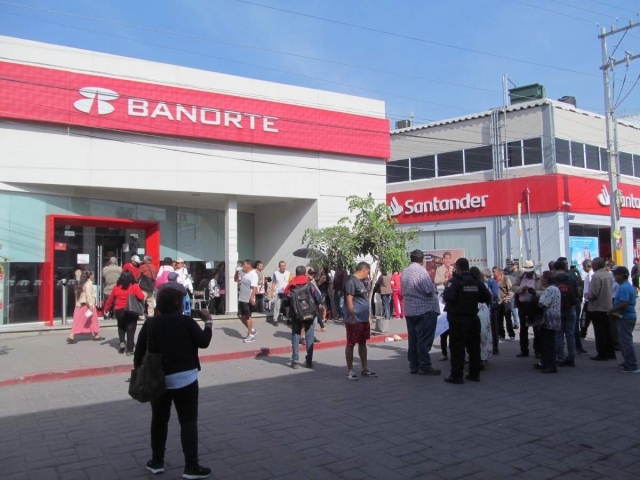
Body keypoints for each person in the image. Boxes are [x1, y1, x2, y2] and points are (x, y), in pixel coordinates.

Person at [136, 287, 213, 479]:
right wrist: (208, 321)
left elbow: (138, 355)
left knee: (159, 420)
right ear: (179, 305)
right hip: (186, 378)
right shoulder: (186, 321)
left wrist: (142, 373)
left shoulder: (151, 324)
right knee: (188, 421)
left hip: (159, 379)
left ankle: (156, 462)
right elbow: (204, 342)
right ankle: (191, 466)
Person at [442, 258, 492, 384]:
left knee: (457, 347)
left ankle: (457, 376)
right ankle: (474, 374)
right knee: (474, 347)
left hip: (458, 319)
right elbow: (487, 297)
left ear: (457, 266)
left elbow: (447, 296)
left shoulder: (455, 280)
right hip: (473, 318)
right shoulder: (476, 280)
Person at [401, 250, 441, 376]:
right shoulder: (420, 271)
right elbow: (429, 289)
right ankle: (425, 366)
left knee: (413, 339)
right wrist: (434, 290)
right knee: (424, 339)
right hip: (424, 309)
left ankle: (414, 365)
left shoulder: (405, 271)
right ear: (422, 259)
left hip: (410, 310)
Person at [343, 262, 377, 380]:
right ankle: (350, 371)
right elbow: (349, 300)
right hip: (354, 320)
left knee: (363, 343)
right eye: (368, 271)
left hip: (363, 319)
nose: (368, 274)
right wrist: (352, 317)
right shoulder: (351, 281)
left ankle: (364, 368)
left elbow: (363, 299)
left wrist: (369, 315)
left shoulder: (360, 282)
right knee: (351, 344)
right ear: (364, 270)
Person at [285, 265, 323, 369]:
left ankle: (295, 361)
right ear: (304, 273)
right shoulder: (309, 284)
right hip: (310, 314)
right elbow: (318, 298)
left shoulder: (291, 285)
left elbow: (286, 301)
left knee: (296, 336)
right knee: (309, 337)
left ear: (296, 273)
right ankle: (309, 361)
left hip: (296, 315)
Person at [104, 271, 145, 355]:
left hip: (119, 310)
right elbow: (141, 296)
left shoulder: (117, 286)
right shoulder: (134, 286)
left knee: (121, 326)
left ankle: (122, 342)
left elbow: (110, 299)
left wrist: (106, 309)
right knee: (131, 329)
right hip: (130, 310)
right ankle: (130, 349)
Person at [609, 266, 639, 373]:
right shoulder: (624, 286)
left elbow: (625, 303)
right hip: (625, 317)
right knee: (624, 341)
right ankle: (627, 361)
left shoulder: (624, 287)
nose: (614, 276)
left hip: (626, 317)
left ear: (621, 276)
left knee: (626, 342)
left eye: (616, 274)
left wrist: (612, 310)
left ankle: (632, 365)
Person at [586, 257, 615, 361]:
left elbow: (594, 293)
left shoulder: (597, 276)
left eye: (593, 264)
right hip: (607, 306)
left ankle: (602, 353)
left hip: (597, 307)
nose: (591, 266)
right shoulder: (608, 275)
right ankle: (610, 352)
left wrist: (586, 295)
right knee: (607, 331)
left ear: (597, 265)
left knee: (600, 332)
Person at [512, 260, 543, 358]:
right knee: (523, 329)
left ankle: (538, 350)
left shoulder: (539, 278)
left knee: (536, 329)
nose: (528, 272)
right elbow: (513, 288)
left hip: (534, 305)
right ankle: (524, 350)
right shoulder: (520, 277)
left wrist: (535, 292)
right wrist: (522, 289)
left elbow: (544, 291)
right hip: (523, 305)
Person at [66, 270, 104, 344]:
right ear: (90, 276)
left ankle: (96, 334)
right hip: (87, 305)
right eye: (92, 274)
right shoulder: (88, 284)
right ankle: (71, 336)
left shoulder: (83, 283)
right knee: (90, 319)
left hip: (81, 304)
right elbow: (88, 294)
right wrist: (91, 304)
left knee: (88, 319)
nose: (93, 275)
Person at [553, 260, 579, 367]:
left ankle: (560, 358)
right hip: (570, 307)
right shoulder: (571, 278)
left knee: (559, 335)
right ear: (565, 268)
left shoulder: (554, 279)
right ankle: (571, 357)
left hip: (557, 309)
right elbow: (578, 293)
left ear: (554, 268)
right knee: (570, 334)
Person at [537, 271, 562, 373]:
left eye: (542, 278)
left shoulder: (550, 289)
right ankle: (545, 362)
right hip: (554, 316)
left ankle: (551, 365)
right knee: (546, 341)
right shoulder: (555, 288)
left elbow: (541, 304)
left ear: (546, 279)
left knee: (548, 342)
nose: (541, 280)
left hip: (549, 317)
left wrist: (536, 300)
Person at [470, 267, 493, 367]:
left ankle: (472, 357)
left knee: (472, 335)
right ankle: (483, 358)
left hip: (471, 310)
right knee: (484, 334)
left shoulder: (466, 285)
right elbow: (490, 298)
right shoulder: (483, 284)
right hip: (483, 309)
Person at [237, 259, 258, 343]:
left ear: (249, 265)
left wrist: (251, 298)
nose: (243, 266)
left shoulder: (253, 274)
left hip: (248, 299)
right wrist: (236, 272)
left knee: (247, 316)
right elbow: (236, 280)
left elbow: (254, 288)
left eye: (244, 264)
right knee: (239, 315)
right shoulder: (244, 273)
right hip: (241, 298)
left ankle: (251, 335)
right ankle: (252, 329)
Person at [493, 266, 515, 341]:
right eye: (493, 272)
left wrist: (507, 299)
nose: (493, 274)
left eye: (494, 272)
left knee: (508, 319)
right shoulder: (493, 280)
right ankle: (501, 334)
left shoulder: (505, 278)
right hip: (497, 302)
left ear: (499, 272)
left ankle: (511, 334)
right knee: (499, 319)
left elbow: (511, 290)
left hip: (505, 301)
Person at [271, 261, 292, 326]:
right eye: (282, 266)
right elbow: (273, 283)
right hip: (278, 292)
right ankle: (275, 319)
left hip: (286, 292)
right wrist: (272, 292)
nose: (283, 267)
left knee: (288, 307)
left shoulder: (289, 273)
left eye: (284, 265)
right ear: (279, 267)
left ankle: (288, 319)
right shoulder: (275, 273)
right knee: (277, 306)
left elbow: (291, 282)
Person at [580, 260, 594, 339]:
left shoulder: (590, 274)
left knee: (584, 317)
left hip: (588, 300)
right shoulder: (591, 274)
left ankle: (583, 332)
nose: (583, 268)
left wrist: (588, 295)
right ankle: (583, 331)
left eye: (583, 266)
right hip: (589, 299)